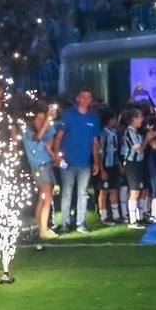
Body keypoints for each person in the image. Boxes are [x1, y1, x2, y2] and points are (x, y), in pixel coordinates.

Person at [53, 88, 102, 233]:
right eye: (84, 97)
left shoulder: (93, 118)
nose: (86, 100)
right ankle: (65, 223)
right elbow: (59, 136)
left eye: (89, 98)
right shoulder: (69, 114)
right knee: (67, 192)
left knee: (83, 193)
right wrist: (58, 155)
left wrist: (96, 162)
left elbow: (95, 142)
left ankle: (81, 222)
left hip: (85, 162)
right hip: (68, 161)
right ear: (78, 99)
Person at [23, 102, 60, 240]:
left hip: (47, 166)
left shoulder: (46, 130)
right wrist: (47, 121)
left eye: (42, 118)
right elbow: (37, 137)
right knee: (47, 198)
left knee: (43, 198)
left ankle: (41, 227)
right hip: (39, 167)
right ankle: (43, 230)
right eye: (38, 119)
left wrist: (52, 117)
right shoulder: (28, 133)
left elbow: (50, 135)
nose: (41, 121)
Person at [120, 108, 155, 228]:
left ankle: (140, 217)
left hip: (140, 163)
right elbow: (139, 149)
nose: (142, 119)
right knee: (134, 192)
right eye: (139, 117)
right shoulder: (129, 132)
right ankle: (132, 220)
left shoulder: (137, 132)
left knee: (143, 190)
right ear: (132, 119)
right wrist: (147, 139)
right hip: (132, 164)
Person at [96, 109, 123, 225]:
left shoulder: (114, 133)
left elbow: (115, 151)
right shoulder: (103, 134)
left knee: (114, 190)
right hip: (105, 166)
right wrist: (101, 169)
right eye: (114, 119)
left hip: (113, 166)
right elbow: (99, 153)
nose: (116, 121)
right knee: (103, 191)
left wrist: (119, 165)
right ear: (110, 120)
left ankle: (116, 215)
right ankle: (104, 216)